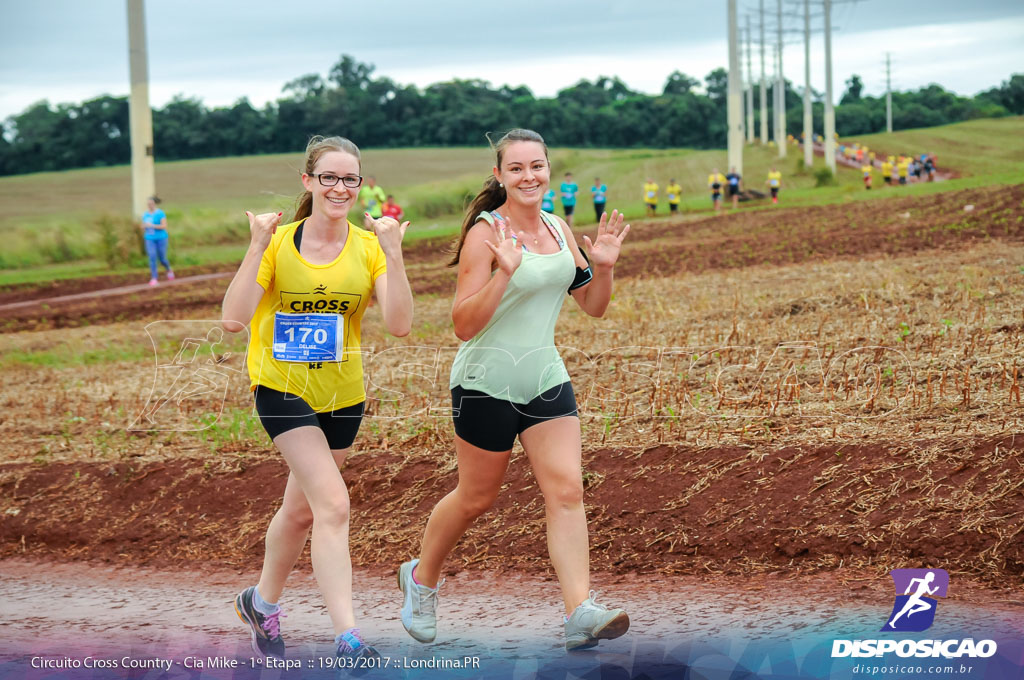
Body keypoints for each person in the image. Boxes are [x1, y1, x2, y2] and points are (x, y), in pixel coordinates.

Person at [396, 128, 631, 652]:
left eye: (538, 166)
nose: (530, 177)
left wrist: (606, 269)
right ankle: (421, 579)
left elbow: (592, 305)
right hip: (485, 382)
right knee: (477, 496)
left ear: (549, 171)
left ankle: (579, 611)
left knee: (567, 490)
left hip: (544, 376)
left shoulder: (558, 227)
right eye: (518, 168)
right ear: (499, 175)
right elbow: (461, 324)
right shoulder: (486, 233)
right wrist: (503, 273)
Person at [221, 135, 413, 662]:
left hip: (343, 396)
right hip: (282, 389)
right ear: (309, 182)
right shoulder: (280, 243)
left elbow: (399, 325)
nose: (339, 187)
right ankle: (348, 638)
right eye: (328, 177)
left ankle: (260, 602)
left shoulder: (370, 247)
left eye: (349, 178)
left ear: (359, 185)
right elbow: (234, 320)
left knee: (301, 510)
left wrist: (394, 255)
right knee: (333, 504)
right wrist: (256, 245)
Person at [140, 196, 174, 286]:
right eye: (148, 204)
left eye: (151, 204)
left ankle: (168, 269)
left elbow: (164, 226)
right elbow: (143, 226)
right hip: (149, 239)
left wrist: (152, 225)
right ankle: (154, 278)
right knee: (152, 257)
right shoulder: (145, 215)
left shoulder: (160, 213)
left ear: (155, 204)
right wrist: (143, 227)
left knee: (162, 259)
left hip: (161, 238)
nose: (150, 205)